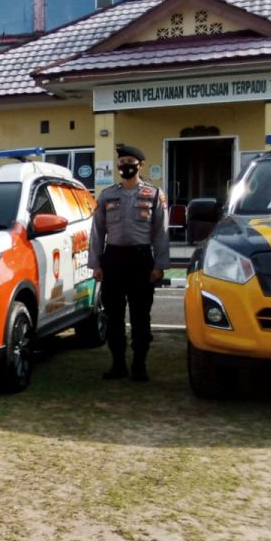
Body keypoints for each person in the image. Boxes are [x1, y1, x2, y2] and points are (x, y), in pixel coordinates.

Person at [90, 144, 169, 382]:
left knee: (140, 316)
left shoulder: (154, 194)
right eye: (121, 162)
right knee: (113, 316)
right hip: (113, 259)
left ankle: (139, 365)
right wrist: (96, 264)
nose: (125, 166)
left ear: (140, 165)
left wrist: (159, 265)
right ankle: (117, 365)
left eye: (130, 162)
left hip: (141, 260)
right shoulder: (107, 195)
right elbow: (97, 231)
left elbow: (160, 232)